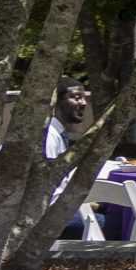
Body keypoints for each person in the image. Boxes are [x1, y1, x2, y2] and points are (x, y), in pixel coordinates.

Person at [42, 77, 100, 234]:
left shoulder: (57, 133)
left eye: (84, 98)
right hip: (47, 217)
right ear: (56, 102)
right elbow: (45, 187)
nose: (83, 103)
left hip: (59, 209)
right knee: (118, 221)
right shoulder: (48, 137)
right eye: (76, 97)